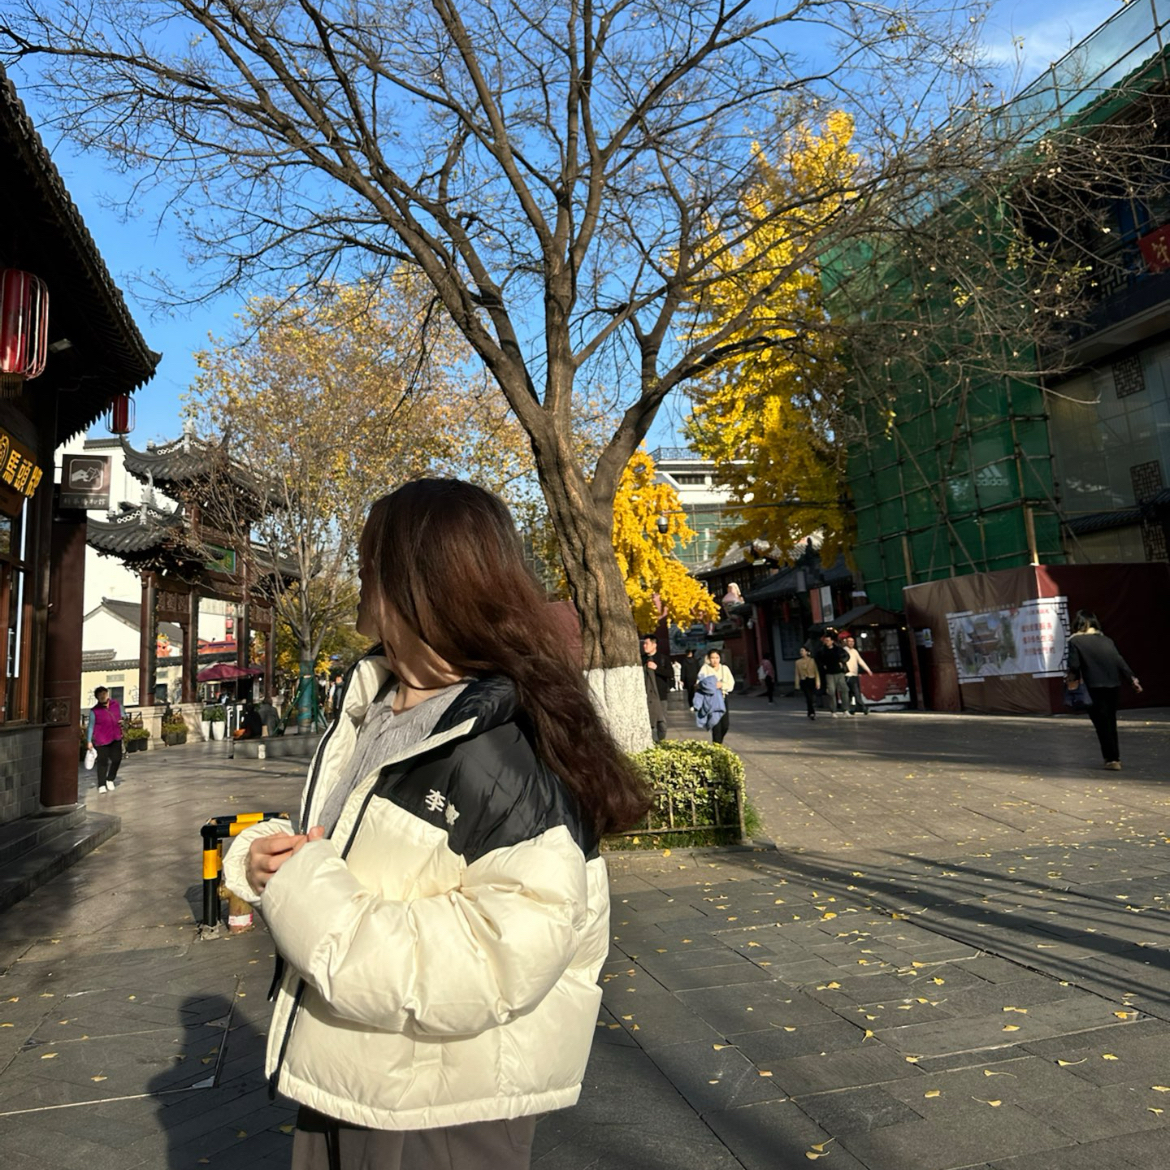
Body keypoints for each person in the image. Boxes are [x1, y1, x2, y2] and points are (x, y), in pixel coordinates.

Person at [222, 479, 650, 1170]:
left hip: (438, 1106)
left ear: (417, 580)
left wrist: (302, 891)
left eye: (370, 558)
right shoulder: (378, 706)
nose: (358, 572)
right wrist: (265, 859)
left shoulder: (499, 746)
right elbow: (352, 852)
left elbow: (499, 957)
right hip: (352, 1069)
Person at [1066, 609, 1143, 770]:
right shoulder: (1106, 640)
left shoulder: (1075, 641)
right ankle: (1114, 757)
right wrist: (1132, 679)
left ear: (1078, 624)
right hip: (1113, 685)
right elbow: (1119, 661)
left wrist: (1070, 681)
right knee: (1110, 721)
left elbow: (1074, 665)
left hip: (1093, 687)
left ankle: (1111, 759)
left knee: (1101, 724)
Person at [86, 686, 124, 793]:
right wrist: (89, 741)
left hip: (116, 736)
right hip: (101, 739)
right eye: (100, 695)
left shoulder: (116, 704)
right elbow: (90, 726)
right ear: (97, 697)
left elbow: (122, 715)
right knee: (102, 762)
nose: (103, 696)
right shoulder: (95, 711)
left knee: (117, 759)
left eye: (104, 693)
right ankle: (102, 784)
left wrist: (122, 720)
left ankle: (110, 779)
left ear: (107, 694)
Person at [698, 649, 735, 744]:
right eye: (712, 658)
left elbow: (731, 683)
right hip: (711, 700)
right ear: (709, 658)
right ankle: (716, 745)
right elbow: (699, 683)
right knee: (716, 725)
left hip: (723, 698)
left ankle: (718, 743)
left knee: (725, 725)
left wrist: (722, 685)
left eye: (717, 658)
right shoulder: (705, 669)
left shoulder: (724, 669)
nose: (715, 660)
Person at [641, 634, 671, 742]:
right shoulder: (641, 659)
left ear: (654, 645)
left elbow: (670, 674)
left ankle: (661, 742)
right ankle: (652, 742)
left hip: (660, 696)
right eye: (644, 643)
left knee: (662, 723)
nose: (644, 646)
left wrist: (656, 668)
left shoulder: (663, 659)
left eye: (647, 643)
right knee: (649, 723)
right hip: (646, 696)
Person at [815, 633, 850, 716]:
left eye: (828, 640)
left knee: (844, 690)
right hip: (829, 673)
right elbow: (817, 660)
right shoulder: (822, 650)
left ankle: (845, 709)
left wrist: (842, 661)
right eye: (825, 641)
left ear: (832, 641)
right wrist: (823, 666)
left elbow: (847, 656)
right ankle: (833, 710)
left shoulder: (838, 649)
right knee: (831, 692)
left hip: (839, 672)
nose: (826, 642)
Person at [842, 636, 873, 715]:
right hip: (848, 674)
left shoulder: (855, 651)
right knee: (854, 692)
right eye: (849, 641)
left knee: (853, 692)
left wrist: (868, 670)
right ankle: (862, 708)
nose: (851, 643)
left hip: (854, 674)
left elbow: (860, 661)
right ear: (846, 642)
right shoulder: (844, 651)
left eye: (852, 641)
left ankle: (852, 708)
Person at [794, 647, 821, 720]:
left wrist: (818, 682)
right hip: (804, 680)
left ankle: (810, 711)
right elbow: (797, 674)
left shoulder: (812, 661)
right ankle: (812, 712)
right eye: (800, 651)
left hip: (811, 679)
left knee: (811, 697)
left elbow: (816, 672)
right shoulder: (798, 662)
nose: (801, 652)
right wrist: (797, 684)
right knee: (808, 696)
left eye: (803, 651)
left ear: (807, 652)